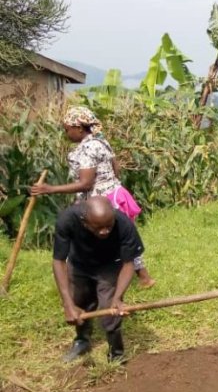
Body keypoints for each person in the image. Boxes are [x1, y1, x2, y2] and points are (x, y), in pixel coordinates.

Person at [30, 106, 155, 289]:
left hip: (100, 202)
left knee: (108, 239)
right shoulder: (100, 141)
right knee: (123, 238)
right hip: (114, 193)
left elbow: (85, 183)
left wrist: (50, 189)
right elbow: (115, 168)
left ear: (79, 128)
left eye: (67, 129)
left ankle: (86, 280)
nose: (66, 133)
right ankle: (143, 277)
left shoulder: (88, 148)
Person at [52, 196, 143, 363]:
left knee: (110, 309)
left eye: (109, 226)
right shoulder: (67, 220)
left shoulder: (124, 224)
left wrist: (117, 297)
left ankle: (116, 353)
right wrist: (68, 304)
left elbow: (129, 264)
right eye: (98, 227)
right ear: (85, 223)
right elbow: (58, 261)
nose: (105, 231)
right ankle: (82, 341)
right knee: (80, 303)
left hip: (110, 266)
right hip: (79, 264)